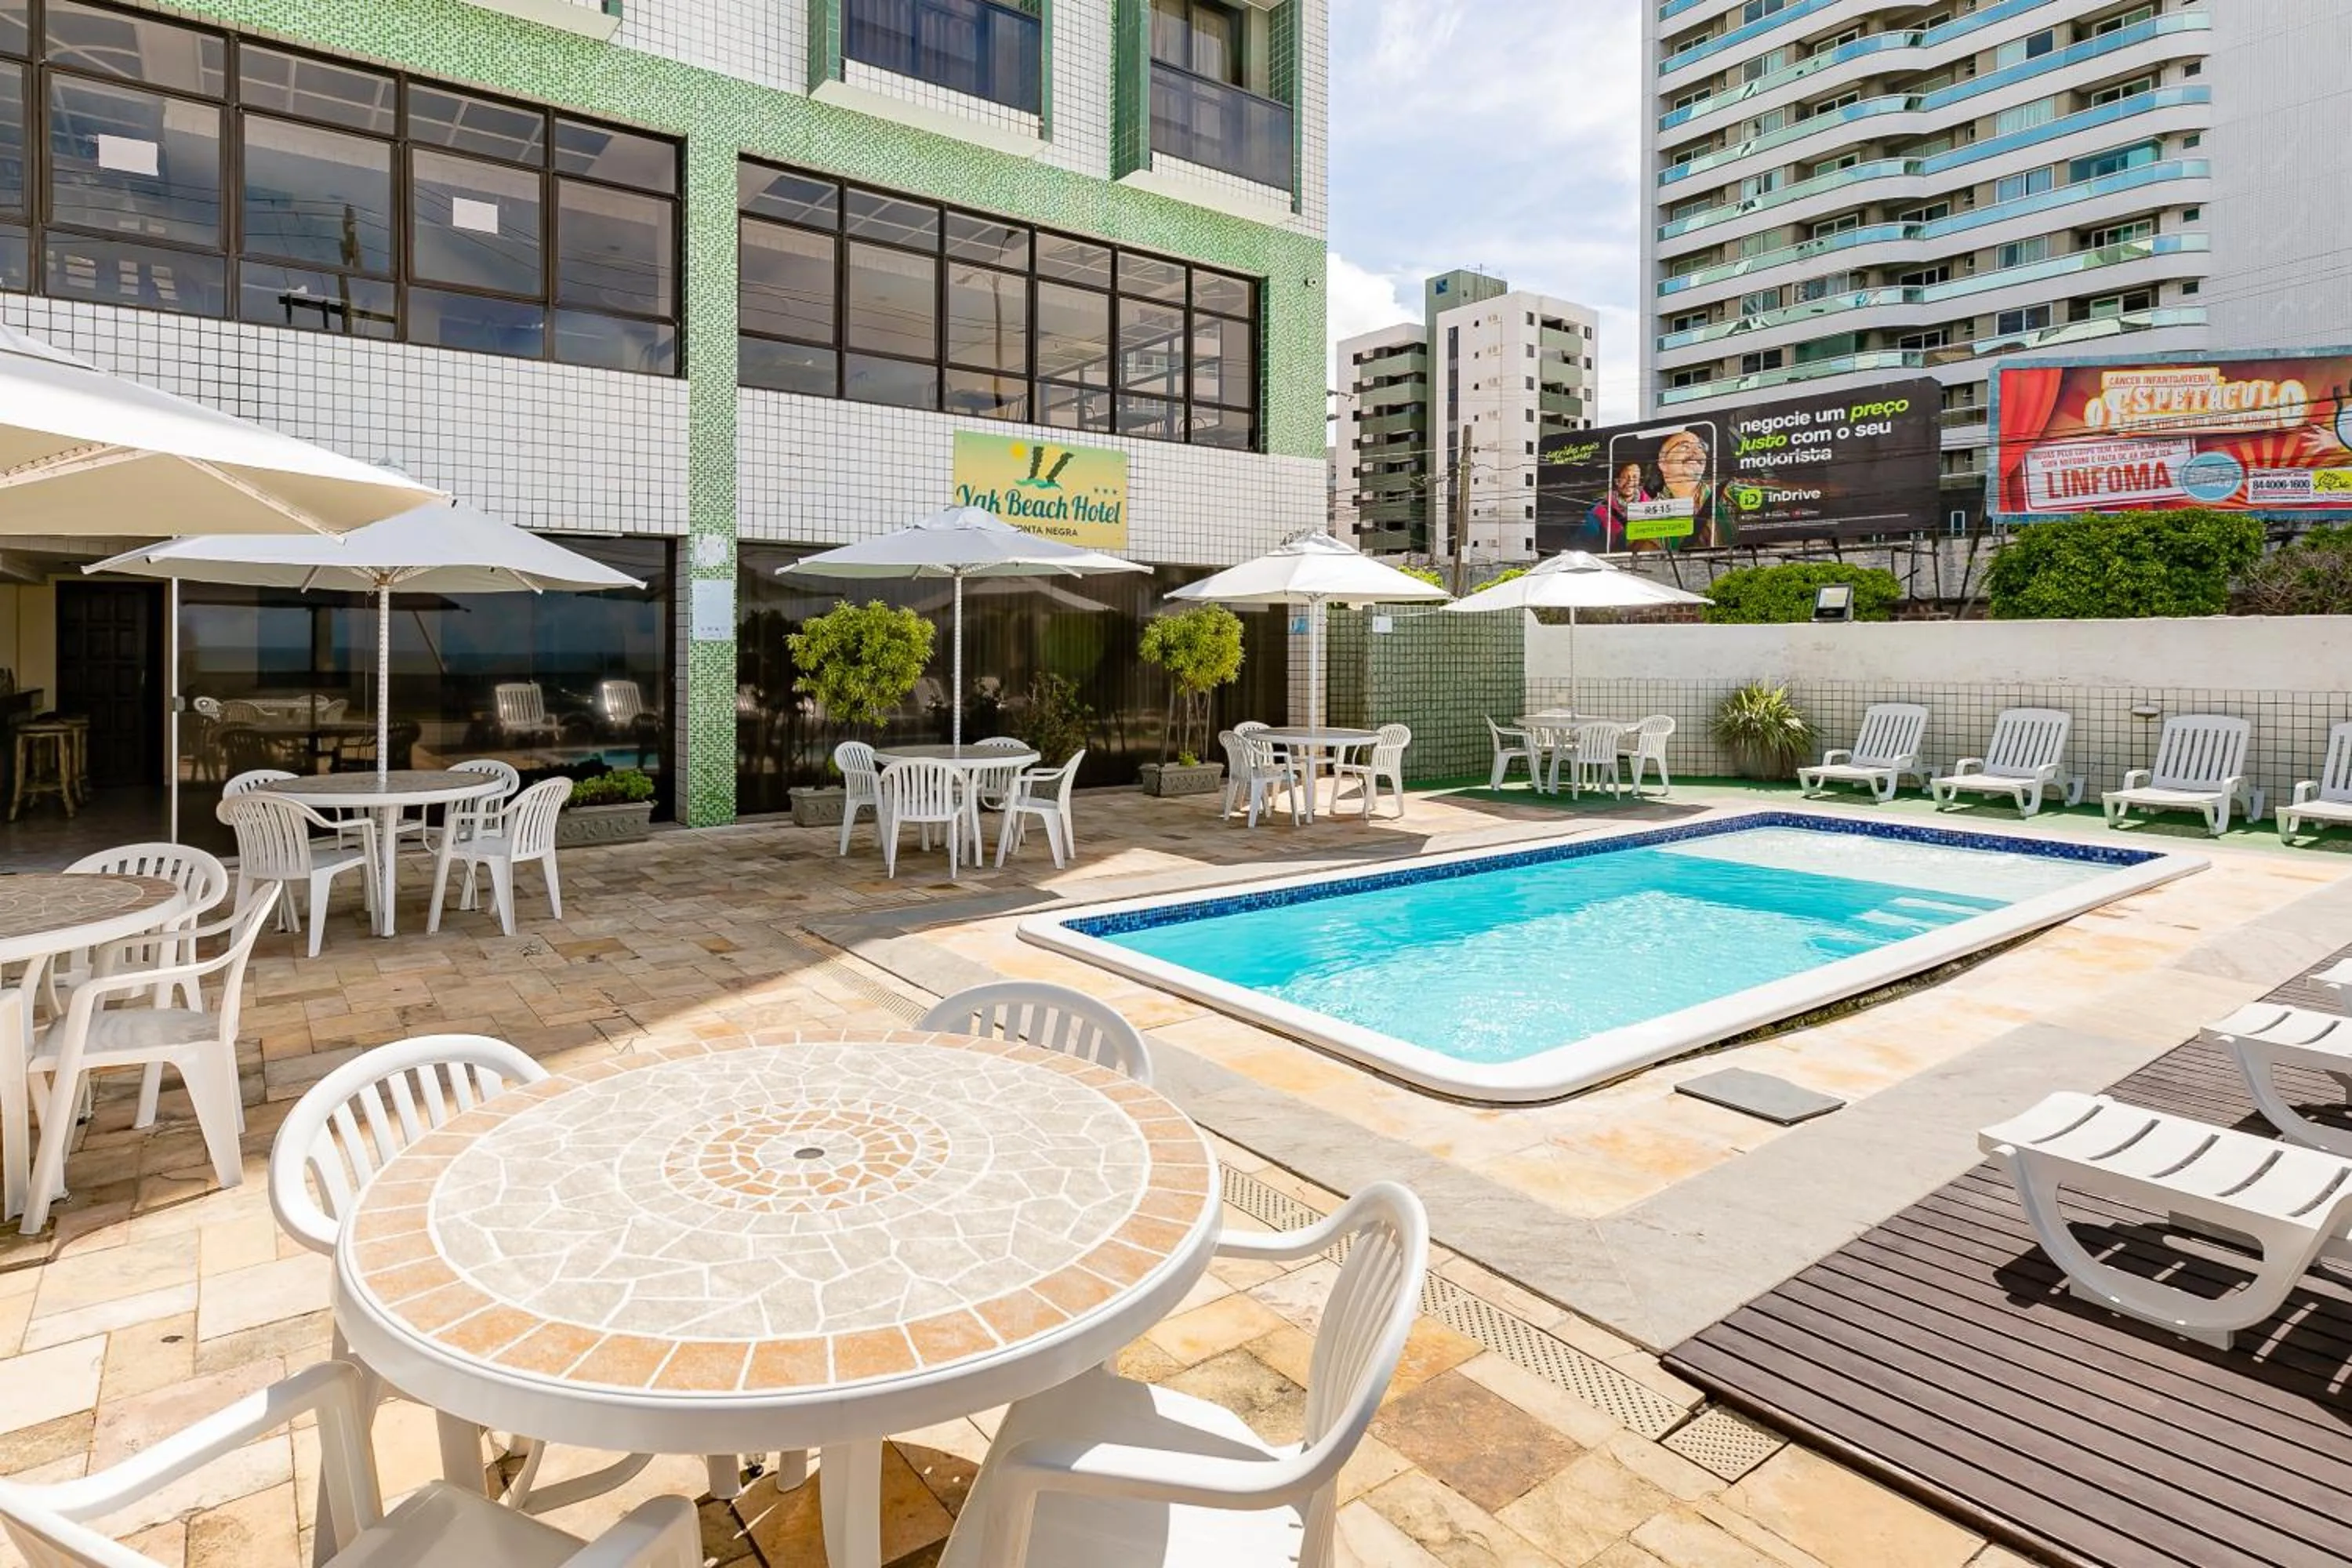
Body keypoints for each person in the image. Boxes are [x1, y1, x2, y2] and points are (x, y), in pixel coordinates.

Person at [1644, 428, 1725, 550]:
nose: (1696, 452)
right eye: (1684, 447)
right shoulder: (1649, 513)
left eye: (1700, 447)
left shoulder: (1728, 493)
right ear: (1663, 463)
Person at [1581, 460, 1647, 550]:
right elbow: (1583, 545)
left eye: (1635, 477)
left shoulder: (1653, 508)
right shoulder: (1599, 512)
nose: (1630, 482)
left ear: (1640, 481)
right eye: (1625, 477)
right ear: (1616, 481)